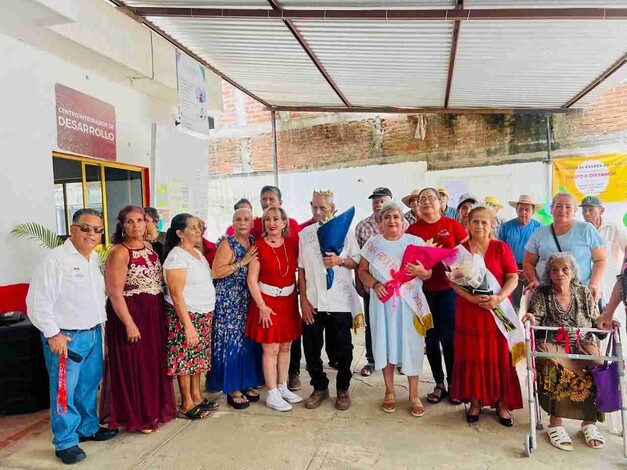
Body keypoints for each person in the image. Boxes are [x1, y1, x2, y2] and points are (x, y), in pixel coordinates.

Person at [26, 209, 117, 465]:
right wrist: (52, 334)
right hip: (66, 338)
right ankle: (65, 441)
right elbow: (38, 301)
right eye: (86, 228)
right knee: (64, 391)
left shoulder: (92, 259)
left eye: (97, 230)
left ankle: (87, 428)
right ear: (72, 229)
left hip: (91, 333)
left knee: (88, 385)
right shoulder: (56, 260)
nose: (92, 234)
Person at [100, 206, 176, 433]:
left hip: (153, 310)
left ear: (147, 223)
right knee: (134, 363)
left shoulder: (150, 248)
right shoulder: (119, 252)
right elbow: (114, 292)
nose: (136, 225)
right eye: (130, 221)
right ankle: (138, 416)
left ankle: (152, 410)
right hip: (130, 312)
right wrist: (129, 323)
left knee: (151, 362)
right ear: (122, 225)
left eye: (140, 220)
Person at [522, 253, 605, 451]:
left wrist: (607, 320)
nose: (560, 273)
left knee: (598, 364)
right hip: (553, 343)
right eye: (554, 270)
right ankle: (556, 422)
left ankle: (589, 422)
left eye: (565, 269)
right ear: (549, 274)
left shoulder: (583, 292)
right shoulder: (542, 293)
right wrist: (531, 319)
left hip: (581, 343)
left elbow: (596, 320)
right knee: (549, 360)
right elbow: (537, 319)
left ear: (573, 272)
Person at [449, 206, 522, 426]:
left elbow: (512, 277)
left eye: (484, 222)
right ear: (468, 224)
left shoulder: (501, 248)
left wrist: (499, 297)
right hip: (470, 311)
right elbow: (453, 281)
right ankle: (474, 401)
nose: (479, 226)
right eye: (475, 222)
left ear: (491, 226)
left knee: (499, 355)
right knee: (472, 354)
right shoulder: (459, 250)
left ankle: (501, 403)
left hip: (497, 311)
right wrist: (471, 299)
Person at [358, 201, 431, 416]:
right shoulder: (372, 244)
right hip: (382, 303)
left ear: (403, 221)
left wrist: (421, 271)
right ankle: (389, 392)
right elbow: (362, 271)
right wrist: (375, 284)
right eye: (387, 217)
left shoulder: (415, 242)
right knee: (385, 343)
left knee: (412, 345)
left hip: (409, 304)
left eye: (396, 216)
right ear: (380, 223)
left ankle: (414, 394)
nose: (392, 221)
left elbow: (428, 274)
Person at [299, 190, 361, 411]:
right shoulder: (305, 234)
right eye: (314, 207)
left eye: (322, 208)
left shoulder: (346, 232)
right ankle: (319, 386)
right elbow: (302, 270)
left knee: (343, 349)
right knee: (312, 349)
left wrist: (340, 260)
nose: (317, 212)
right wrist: (304, 300)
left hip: (339, 302)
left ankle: (342, 388)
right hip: (314, 301)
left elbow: (357, 262)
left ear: (333, 208)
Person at [406, 188, 468, 405]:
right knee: (430, 340)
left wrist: (455, 269)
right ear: (417, 206)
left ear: (441, 202)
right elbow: (408, 261)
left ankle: (454, 384)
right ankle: (439, 383)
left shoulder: (452, 225)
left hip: (450, 291)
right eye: (421, 200)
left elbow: (466, 254)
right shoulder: (412, 230)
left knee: (450, 340)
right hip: (423, 293)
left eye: (430, 198)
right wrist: (420, 271)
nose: (426, 203)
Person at [245, 206, 302, 411]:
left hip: (287, 302)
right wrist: (261, 306)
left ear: (284, 222)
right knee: (271, 348)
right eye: (268, 219)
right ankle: (271, 393)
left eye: (276, 219)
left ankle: (282, 386)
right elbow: (252, 279)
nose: (272, 223)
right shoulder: (258, 246)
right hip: (267, 302)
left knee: (286, 346)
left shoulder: (291, 244)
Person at [163, 214, 218, 420]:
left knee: (197, 359)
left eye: (199, 227)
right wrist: (188, 325)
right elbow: (176, 294)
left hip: (203, 314)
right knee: (185, 360)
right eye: (193, 228)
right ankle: (186, 403)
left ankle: (196, 396)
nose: (198, 231)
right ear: (180, 233)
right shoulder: (176, 257)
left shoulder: (196, 253)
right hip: (186, 315)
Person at [208, 208, 262, 409]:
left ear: (252, 222)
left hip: (246, 299)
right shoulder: (228, 243)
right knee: (232, 343)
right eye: (238, 219)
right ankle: (232, 388)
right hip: (228, 301)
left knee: (246, 341)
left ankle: (246, 382)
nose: (242, 222)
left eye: (246, 219)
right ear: (233, 222)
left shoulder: (254, 242)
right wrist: (241, 263)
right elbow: (216, 272)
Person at [355, 187, 409, 377]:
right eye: (375, 200)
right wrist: (364, 284)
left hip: (403, 292)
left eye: (382, 200)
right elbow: (360, 262)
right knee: (375, 325)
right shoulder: (362, 226)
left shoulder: (405, 226)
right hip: (376, 287)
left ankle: (401, 359)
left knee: (400, 325)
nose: (378, 203)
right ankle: (373, 359)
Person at [523, 193, 607, 302]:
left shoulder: (586, 230)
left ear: (575, 211)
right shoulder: (539, 233)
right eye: (558, 206)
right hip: (547, 294)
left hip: (580, 293)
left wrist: (593, 284)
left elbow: (600, 260)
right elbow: (528, 262)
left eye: (568, 207)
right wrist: (534, 281)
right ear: (551, 209)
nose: (563, 210)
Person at [580, 195, 627, 309]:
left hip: (609, 276)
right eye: (584, 210)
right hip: (589, 278)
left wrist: (623, 269)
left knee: (612, 310)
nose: (587, 213)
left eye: (591, 210)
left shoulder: (612, 228)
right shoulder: (581, 229)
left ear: (601, 211)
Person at [498, 195, 543, 310]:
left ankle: (530, 326)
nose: (523, 213)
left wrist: (528, 269)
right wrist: (511, 269)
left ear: (533, 211)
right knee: (512, 303)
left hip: (533, 267)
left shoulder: (539, 228)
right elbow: (500, 250)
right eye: (521, 209)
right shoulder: (506, 227)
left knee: (533, 302)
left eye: (527, 210)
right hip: (511, 268)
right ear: (516, 210)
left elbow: (542, 251)